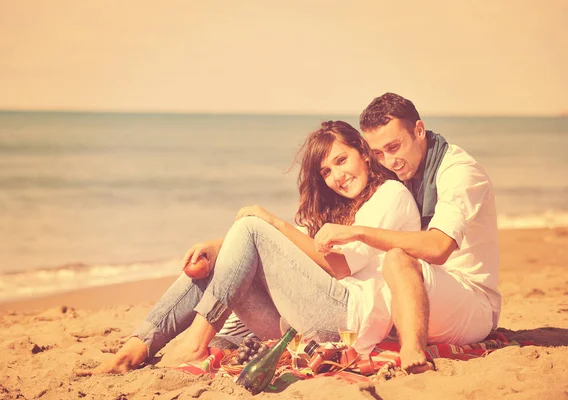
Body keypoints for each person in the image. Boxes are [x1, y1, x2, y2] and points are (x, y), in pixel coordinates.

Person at [76, 120, 420, 376]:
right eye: (326, 171)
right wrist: (215, 248)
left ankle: (195, 343)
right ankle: (136, 347)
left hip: (348, 321)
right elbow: (291, 247)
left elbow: (340, 266)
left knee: (253, 226)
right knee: (227, 252)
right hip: (308, 322)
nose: (336, 176)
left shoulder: (390, 195)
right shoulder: (343, 208)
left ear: (362, 152)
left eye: (341, 161)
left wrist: (272, 222)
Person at [314, 93, 501, 374]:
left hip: (471, 303)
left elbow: (438, 248)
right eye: (378, 153)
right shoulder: (403, 170)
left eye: (394, 146)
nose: (389, 161)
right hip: (423, 290)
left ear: (419, 130)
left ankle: (412, 351)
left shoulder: (459, 173)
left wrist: (358, 233)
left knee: (396, 258)